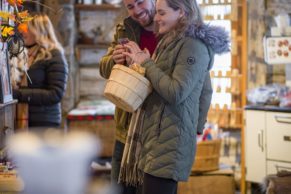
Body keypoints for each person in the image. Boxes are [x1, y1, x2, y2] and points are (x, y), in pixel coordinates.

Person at [121, 0, 230, 193]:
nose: (156, 18)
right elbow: (206, 91)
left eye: (162, 13)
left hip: (169, 140)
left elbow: (176, 92)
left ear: (180, 12)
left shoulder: (193, 46)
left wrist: (147, 64)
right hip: (160, 136)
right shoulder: (171, 41)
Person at [99, 0, 157, 193]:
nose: (137, 11)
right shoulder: (125, 29)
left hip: (156, 129)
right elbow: (104, 67)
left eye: (140, 3)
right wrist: (115, 61)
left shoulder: (170, 30)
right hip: (125, 128)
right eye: (130, 6)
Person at [12, 14, 68, 128]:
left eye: (26, 28)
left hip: (44, 122)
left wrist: (18, 94)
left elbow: (55, 94)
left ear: (38, 30)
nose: (22, 32)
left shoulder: (54, 54)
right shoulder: (25, 54)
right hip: (24, 119)